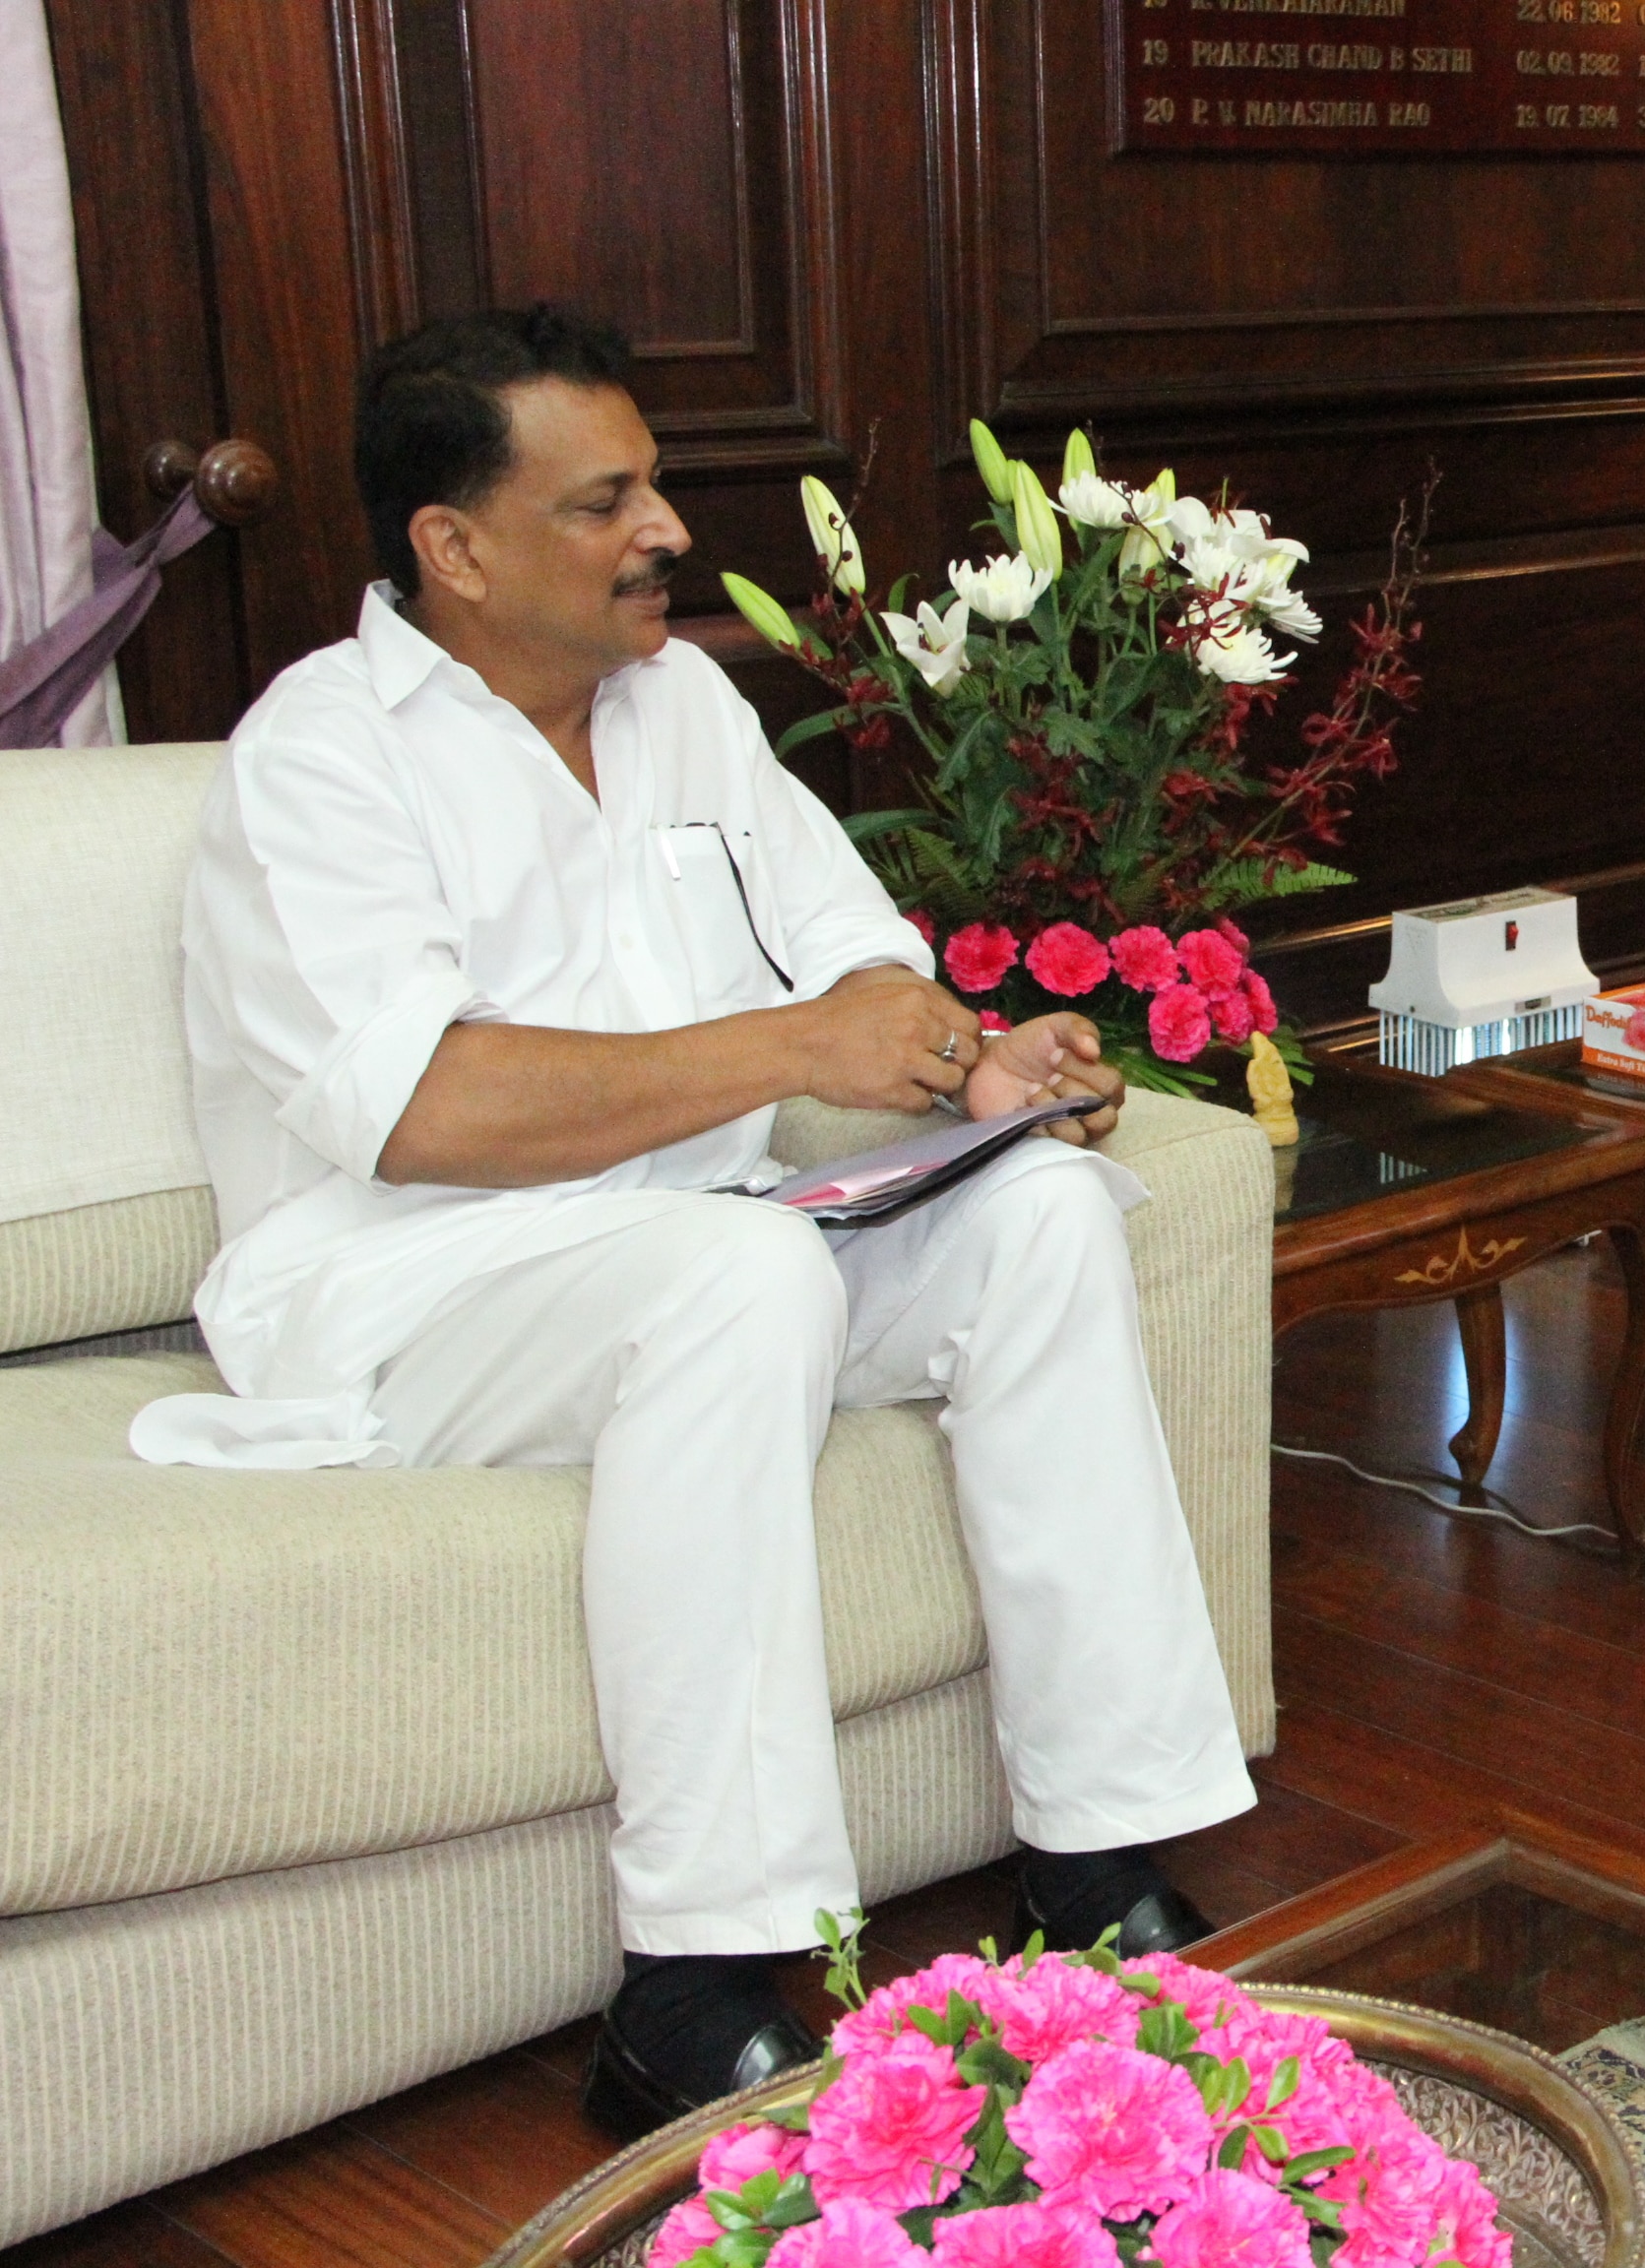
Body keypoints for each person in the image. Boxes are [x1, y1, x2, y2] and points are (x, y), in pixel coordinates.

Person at [131, 305, 1257, 2137]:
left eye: (654, 481)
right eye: (608, 500)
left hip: (699, 1237)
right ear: (457, 546)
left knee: (1042, 1212)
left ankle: (1095, 1860)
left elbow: (854, 959)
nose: (665, 526)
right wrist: (795, 1043)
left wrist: (978, 1064)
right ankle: (699, 1979)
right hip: (410, 1289)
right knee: (735, 1273)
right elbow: (424, 1110)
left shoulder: (682, 705)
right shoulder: (320, 759)